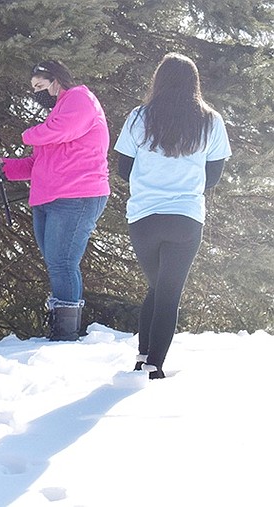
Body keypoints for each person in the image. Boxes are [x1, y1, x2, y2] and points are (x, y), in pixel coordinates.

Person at [114, 53, 230, 379]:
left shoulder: (139, 117)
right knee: (167, 291)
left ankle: (142, 356)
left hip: (143, 217)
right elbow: (215, 175)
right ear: (194, 83)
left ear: (158, 80)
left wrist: (151, 180)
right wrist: (185, 186)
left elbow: (123, 169)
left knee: (157, 286)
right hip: (186, 217)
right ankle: (153, 365)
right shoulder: (211, 120)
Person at [0, 60, 110, 341]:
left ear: (55, 79)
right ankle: (63, 327)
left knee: (62, 262)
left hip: (77, 194)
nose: (37, 92)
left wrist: (28, 134)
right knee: (57, 262)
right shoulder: (58, 112)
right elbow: (36, 163)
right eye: (33, 89)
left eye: (39, 85)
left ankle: (66, 333)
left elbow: (58, 131)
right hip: (49, 197)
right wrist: (2, 165)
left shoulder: (79, 98)